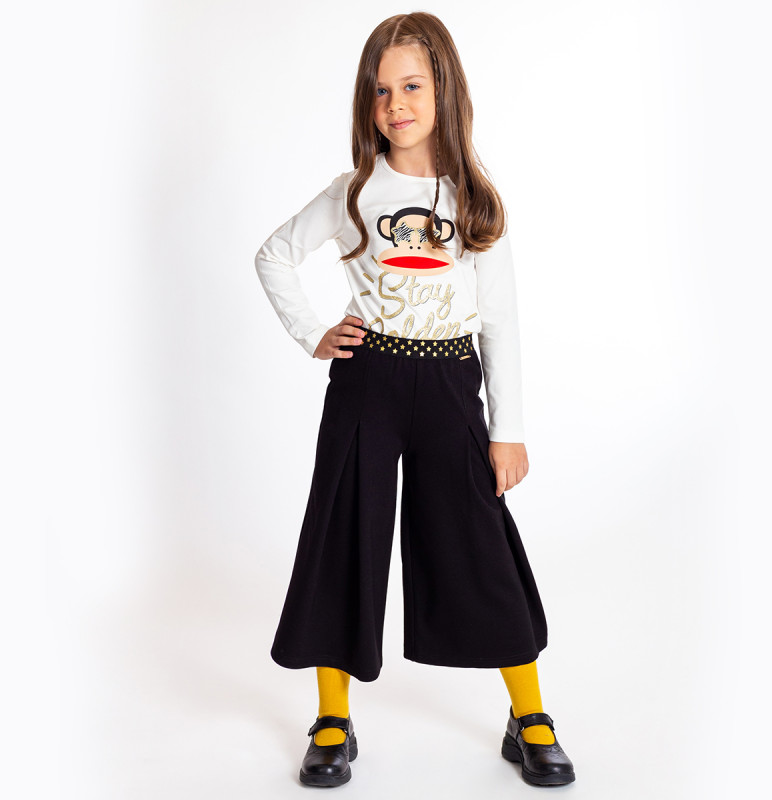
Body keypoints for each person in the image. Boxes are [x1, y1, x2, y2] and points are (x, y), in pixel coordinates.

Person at [253, 11, 575, 789]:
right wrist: (315, 333)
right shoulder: (355, 192)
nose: (395, 103)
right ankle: (333, 717)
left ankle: (529, 714)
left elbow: (500, 321)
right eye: (380, 90)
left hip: (449, 386)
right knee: (344, 537)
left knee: (480, 543)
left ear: (443, 91)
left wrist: (508, 428)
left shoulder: (475, 199)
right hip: (367, 383)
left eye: (411, 86)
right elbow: (274, 255)